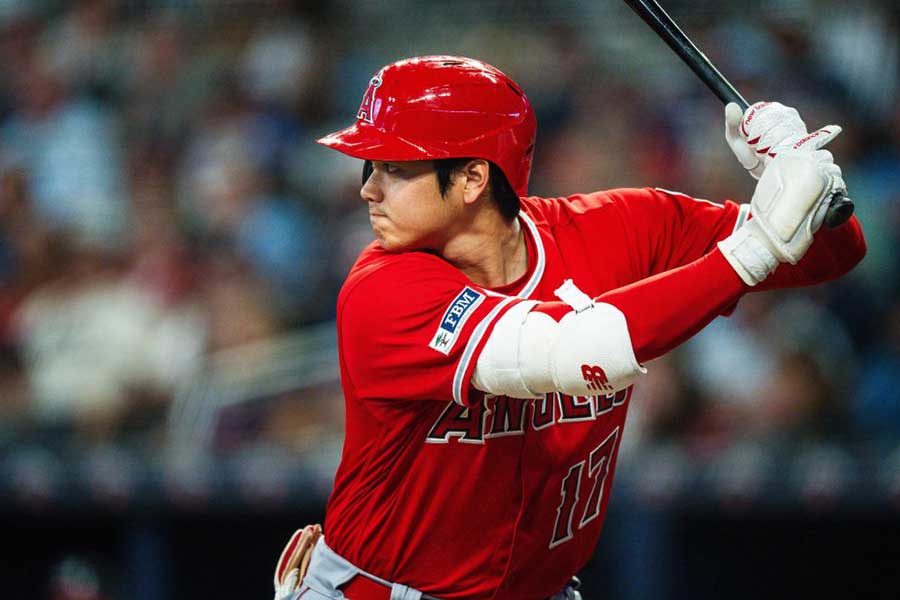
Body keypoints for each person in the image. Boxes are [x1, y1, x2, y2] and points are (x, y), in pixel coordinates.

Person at [273, 56, 866, 600]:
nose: (367, 188)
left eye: (395, 168)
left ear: (475, 178)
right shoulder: (381, 289)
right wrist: (756, 244)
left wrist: (802, 177)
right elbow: (576, 353)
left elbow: (834, 253)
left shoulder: (622, 228)